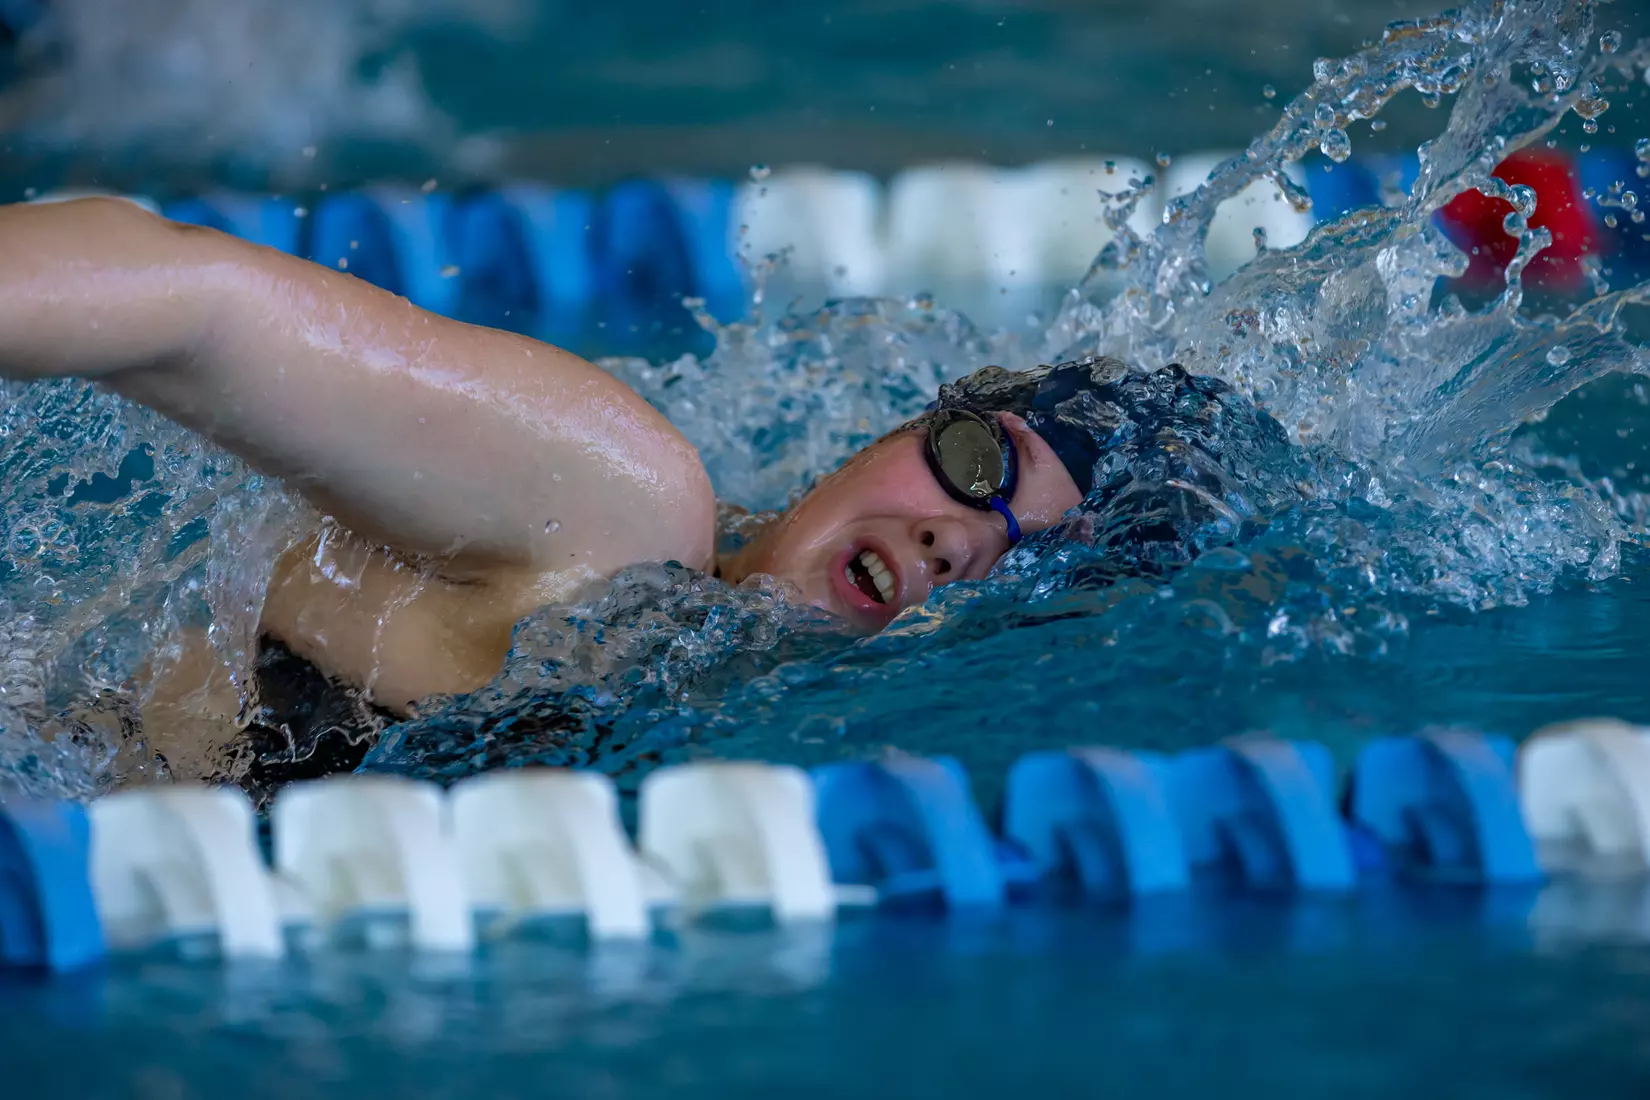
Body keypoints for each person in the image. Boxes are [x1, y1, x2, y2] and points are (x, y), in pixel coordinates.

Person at [0, 198, 1284, 778]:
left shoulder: (756, 747)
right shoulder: (619, 514)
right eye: (980, 464)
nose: (957, 538)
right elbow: (191, 300)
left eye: (1031, 564)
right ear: (910, 423)